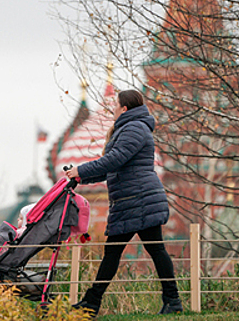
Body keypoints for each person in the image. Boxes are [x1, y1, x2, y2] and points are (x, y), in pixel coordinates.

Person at [65, 89, 182, 319]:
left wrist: (81, 169)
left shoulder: (134, 128)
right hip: (133, 199)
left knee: (136, 251)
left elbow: (113, 159)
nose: (113, 109)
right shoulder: (131, 128)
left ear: (124, 109)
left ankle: (92, 303)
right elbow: (115, 166)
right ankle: (172, 301)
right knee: (144, 251)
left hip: (138, 200)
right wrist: (80, 177)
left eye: (115, 105)